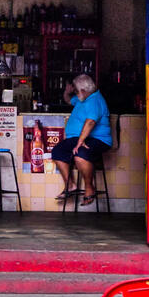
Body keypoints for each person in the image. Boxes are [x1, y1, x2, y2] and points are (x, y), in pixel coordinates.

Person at [52, 74, 112, 206]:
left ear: (84, 91)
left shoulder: (94, 100)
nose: (76, 93)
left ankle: (89, 187)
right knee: (58, 152)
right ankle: (70, 185)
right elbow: (68, 100)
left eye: (77, 91)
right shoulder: (82, 98)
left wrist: (80, 141)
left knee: (80, 155)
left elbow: (90, 122)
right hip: (79, 138)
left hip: (98, 139)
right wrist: (67, 92)